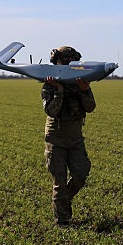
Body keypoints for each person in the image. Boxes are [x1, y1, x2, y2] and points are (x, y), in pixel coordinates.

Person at [41, 46, 96, 226]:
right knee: (60, 182)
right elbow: (51, 111)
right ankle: (62, 221)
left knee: (81, 175)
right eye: (65, 60)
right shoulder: (49, 86)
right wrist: (59, 91)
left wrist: (85, 90)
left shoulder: (79, 83)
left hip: (75, 139)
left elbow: (90, 107)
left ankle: (65, 199)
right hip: (55, 140)